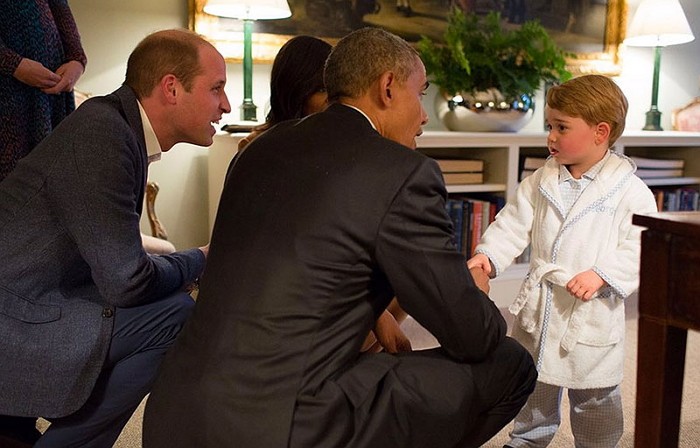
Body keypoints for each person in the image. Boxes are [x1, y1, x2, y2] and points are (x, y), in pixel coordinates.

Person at [143, 27, 536, 448]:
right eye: (420, 94)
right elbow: (471, 335)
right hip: (280, 426)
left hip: (174, 413)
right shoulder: (402, 172)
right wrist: (476, 295)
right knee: (510, 363)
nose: (423, 116)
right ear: (387, 87)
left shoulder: (257, 149)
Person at [0, 28, 231, 448]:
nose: (226, 105)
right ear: (172, 88)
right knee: (175, 315)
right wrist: (201, 257)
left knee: (171, 304)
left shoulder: (115, 126)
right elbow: (126, 282)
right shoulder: (104, 135)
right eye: (216, 89)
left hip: (38, 295)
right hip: (18, 314)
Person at [467, 74, 658, 447]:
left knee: (595, 396)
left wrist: (602, 275)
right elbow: (511, 223)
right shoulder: (541, 181)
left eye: (561, 127)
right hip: (542, 306)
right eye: (549, 126)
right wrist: (487, 256)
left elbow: (641, 245)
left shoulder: (630, 191)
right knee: (534, 385)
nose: (550, 137)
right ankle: (527, 440)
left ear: (601, 132)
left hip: (590, 311)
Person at [238, 34, 410, 353]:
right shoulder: (260, 149)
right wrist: (373, 312)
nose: (335, 103)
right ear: (297, 92)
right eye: (324, 92)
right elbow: (296, 254)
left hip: (322, 278)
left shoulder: (334, 145)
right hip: (281, 290)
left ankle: (353, 363)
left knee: (402, 276)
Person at [0, 0, 87, 182]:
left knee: (52, 184)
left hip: (52, 98)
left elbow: (61, 9)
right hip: (8, 97)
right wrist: (14, 65)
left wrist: (76, 60)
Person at [238, 35, 332, 151]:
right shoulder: (256, 146)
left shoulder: (343, 141)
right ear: (296, 91)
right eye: (322, 90)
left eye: (335, 88)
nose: (333, 98)